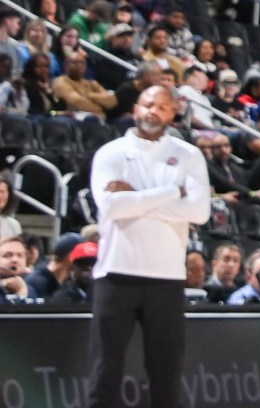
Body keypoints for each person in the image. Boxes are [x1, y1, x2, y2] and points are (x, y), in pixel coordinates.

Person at [87, 83, 210, 408]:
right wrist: (172, 192)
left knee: (166, 375)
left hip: (167, 280)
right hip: (115, 274)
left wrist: (134, 196)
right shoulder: (111, 153)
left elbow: (198, 211)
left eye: (160, 106)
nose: (151, 111)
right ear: (136, 108)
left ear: (173, 112)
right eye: (146, 104)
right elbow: (111, 207)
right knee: (105, 372)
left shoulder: (189, 155)